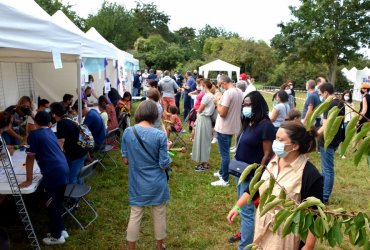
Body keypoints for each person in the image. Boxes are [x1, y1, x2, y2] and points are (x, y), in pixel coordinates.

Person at [227, 121, 322, 250]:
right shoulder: (272, 160)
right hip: (262, 227)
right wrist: (237, 207)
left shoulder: (309, 175)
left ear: (294, 146)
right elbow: (255, 188)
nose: (275, 142)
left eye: (280, 139)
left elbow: (315, 214)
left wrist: (308, 246)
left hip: (285, 236)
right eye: (276, 137)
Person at [121, 100, 172, 250]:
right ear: (155, 115)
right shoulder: (160, 135)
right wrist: (168, 152)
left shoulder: (128, 132)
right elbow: (164, 163)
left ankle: (131, 248)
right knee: (159, 214)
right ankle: (159, 246)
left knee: (135, 215)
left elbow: (125, 160)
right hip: (157, 182)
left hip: (137, 182)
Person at [227, 91, 275, 248]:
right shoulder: (249, 122)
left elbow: (267, 155)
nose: (245, 108)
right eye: (244, 105)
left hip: (251, 176)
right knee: (243, 209)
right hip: (240, 172)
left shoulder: (266, 126)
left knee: (246, 212)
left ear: (257, 105)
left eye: (248, 105)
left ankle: (245, 246)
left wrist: (257, 177)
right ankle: (246, 236)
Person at [19, 111, 69, 245]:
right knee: (57, 201)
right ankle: (60, 229)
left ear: (35, 122)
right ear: (49, 123)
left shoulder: (33, 135)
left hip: (53, 173)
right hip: (63, 169)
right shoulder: (50, 132)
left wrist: (29, 179)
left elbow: (29, 158)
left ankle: (56, 236)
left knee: (52, 204)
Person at [212, 75, 243, 186]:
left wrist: (216, 102)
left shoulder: (228, 93)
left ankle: (224, 179)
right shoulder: (239, 91)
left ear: (224, 82)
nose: (220, 87)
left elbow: (222, 113)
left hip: (224, 127)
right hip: (232, 126)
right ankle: (221, 172)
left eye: (220, 85)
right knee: (225, 152)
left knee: (224, 155)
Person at [317, 83, 344, 204]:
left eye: (321, 94)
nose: (321, 96)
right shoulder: (340, 102)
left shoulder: (331, 105)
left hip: (328, 140)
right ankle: (323, 191)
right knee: (326, 168)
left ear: (326, 93)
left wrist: (314, 135)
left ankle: (324, 196)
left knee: (327, 169)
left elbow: (326, 125)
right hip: (336, 138)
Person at [50, 102, 88, 184]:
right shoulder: (68, 118)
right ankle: (79, 191)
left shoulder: (61, 124)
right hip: (81, 150)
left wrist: (54, 155)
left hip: (76, 154)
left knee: (72, 179)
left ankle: (74, 196)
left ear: (53, 114)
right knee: (78, 175)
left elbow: (61, 142)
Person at [191, 79, 215, 171]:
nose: (200, 87)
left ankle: (204, 164)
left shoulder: (207, 96)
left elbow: (200, 109)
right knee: (202, 140)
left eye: (201, 85)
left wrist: (197, 111)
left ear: (204, 86)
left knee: (203, 141)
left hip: (204, 119)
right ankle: (203, 162)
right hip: (204, 119)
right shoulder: (210, 95)